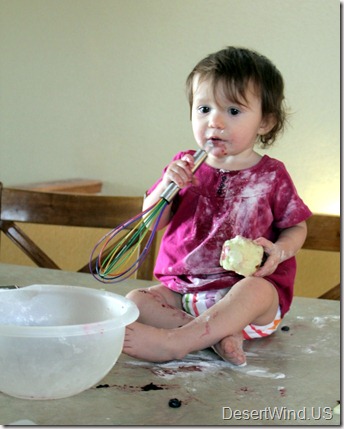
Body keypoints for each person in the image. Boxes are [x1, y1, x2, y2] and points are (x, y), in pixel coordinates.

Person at [123, 46, 312, 366]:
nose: (215, 121)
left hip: (242, 302)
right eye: (204, 109)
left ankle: (176, 342)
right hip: (183, 295)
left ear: (265, 121)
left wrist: (280, 250)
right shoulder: (184, 167)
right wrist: (168, 186)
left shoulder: (271, 175)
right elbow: (149, 221)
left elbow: (295, 225)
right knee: (135, 300)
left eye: (233, 111)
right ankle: (216, 338)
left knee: (257, 290)